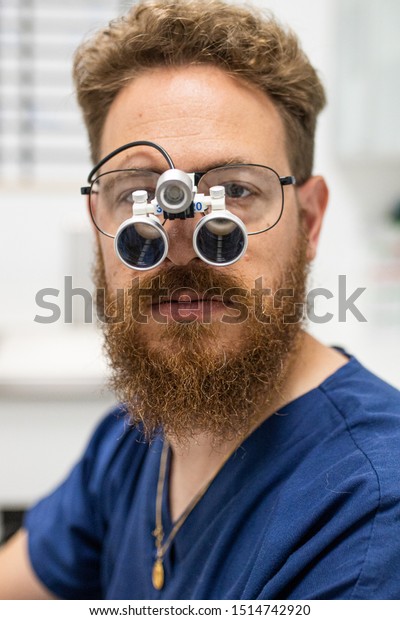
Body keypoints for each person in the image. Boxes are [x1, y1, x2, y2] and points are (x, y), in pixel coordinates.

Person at [1, 0, 400, 601]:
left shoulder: (369, 506)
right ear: (98, 223)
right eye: (138, 196)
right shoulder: (134, 441)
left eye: (235, 191)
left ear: (309, 220)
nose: (182, 249)